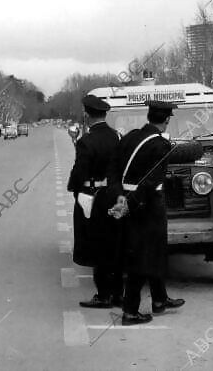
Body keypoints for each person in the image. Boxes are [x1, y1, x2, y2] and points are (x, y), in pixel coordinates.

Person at [108, 100, 185, 325]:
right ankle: (130, 312)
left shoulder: (130, 137)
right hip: (148, 206)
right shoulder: (160, 145)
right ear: (167, 119)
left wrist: (120, 196)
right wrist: (130, 204)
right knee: (143, 257)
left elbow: (113, 169)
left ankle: (160, 299)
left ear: (148, 116)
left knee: (151, 253)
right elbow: (151, 182)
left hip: (129, 201)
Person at [67, 95, 122, 308]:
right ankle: (118, 294)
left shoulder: (86, 142)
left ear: (87, 115)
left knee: (97, 247)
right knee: (114, 245)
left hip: (93, 196)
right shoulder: (117, 137)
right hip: (113, 194)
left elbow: (79, 172)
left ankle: (103, 295)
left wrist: (75, 190)